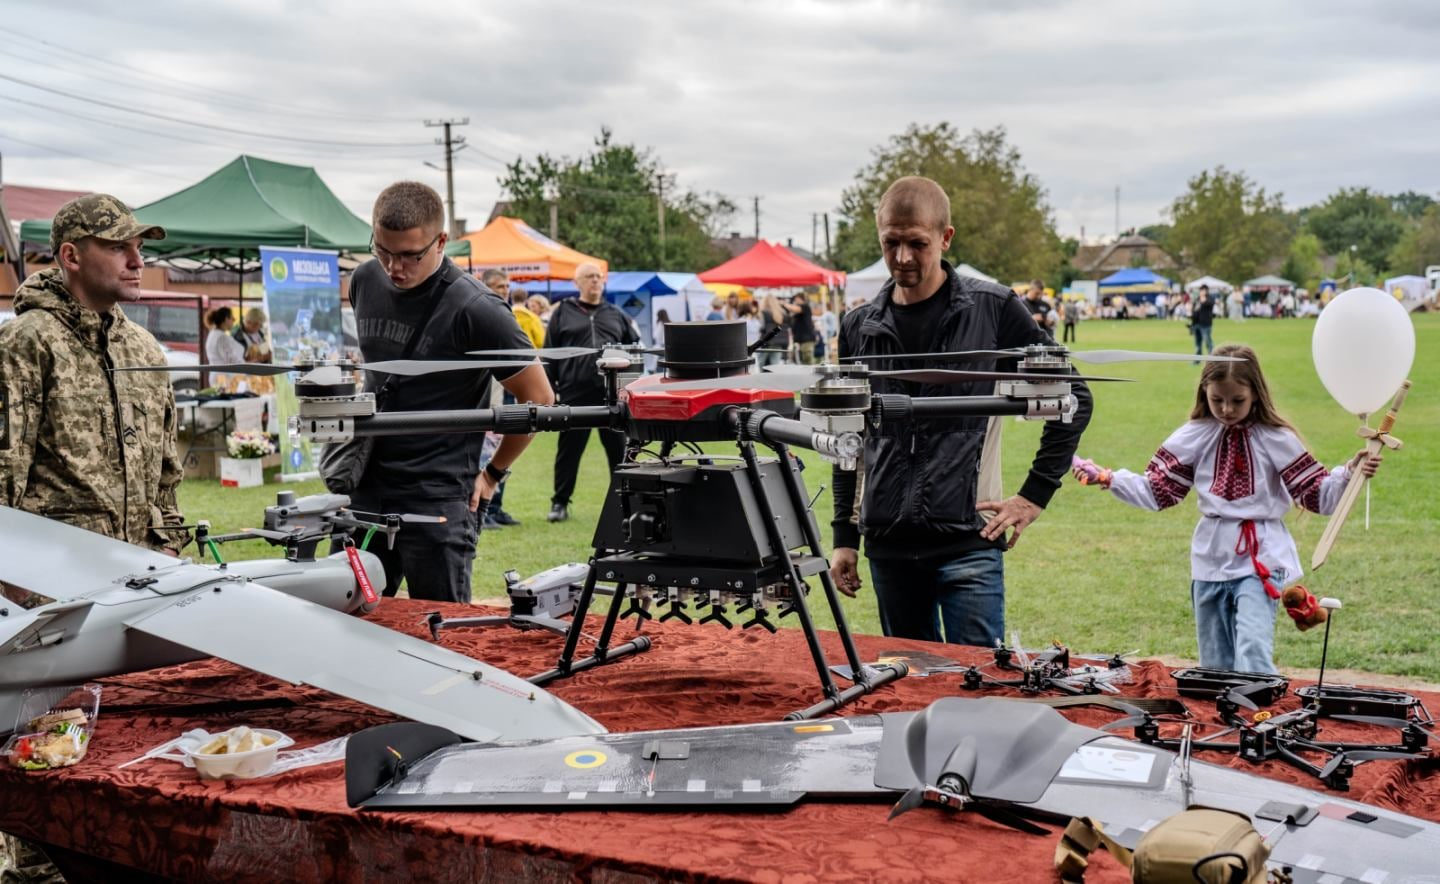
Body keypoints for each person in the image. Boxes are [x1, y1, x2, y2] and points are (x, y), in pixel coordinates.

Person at [0, 194, 190, 884]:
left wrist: (172, 550)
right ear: (72, 256)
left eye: (141, 246)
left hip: (137, 581)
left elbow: (166, 468)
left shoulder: (142, 347)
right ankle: (35, 869)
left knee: (132, 740)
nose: (138, 261)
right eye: (120, 247)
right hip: (51, 594)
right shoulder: (26, 343)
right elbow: (2, 472)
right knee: (45, 754)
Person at [829, 176, 1092, 647]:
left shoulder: (995, 309)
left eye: (917, 243)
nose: (902, 257)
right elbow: (846, 438)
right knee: (911, 680)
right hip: (888, 546)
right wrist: (845, 537)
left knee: (979, 681)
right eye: (890, 243)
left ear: (945, 237)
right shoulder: (858, 327)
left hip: (969, 541)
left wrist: (1033, 496)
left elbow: (1074, 397)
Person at [1072, 344, 1381, 673]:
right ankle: (1223, 704)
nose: (1227, 409)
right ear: (1204, 392)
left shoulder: (1276, 438)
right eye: (1217, 399)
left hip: (1261, 557)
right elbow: (1159, 491)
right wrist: (1108, 478)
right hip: (1210, 556)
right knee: (1214, 662)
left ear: (1256, 394)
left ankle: (1259, 703)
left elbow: (1315, 494)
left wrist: (1350, 473)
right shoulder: (1193, 436)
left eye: (1237, 400)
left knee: (1252, 648)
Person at [346, 181, 553, 603]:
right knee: (346, 618)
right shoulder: (364, 279)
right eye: (382, 250)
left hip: (437, 496)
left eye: (410, 255)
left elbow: (540, 400)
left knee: (440, 628)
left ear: (441, 242)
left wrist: (492, 474)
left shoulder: (476, 308)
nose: (393, 267)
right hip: (364, 486)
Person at [544, 262, 638, 523]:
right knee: (569, 451)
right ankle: (560, 503)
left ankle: (626, 500)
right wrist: (551, 389)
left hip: (611, 394)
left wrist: (629, 386)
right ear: (577, 282)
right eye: (589, 276)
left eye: (599, 276)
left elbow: (633, 350)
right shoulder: (563, 313)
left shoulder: (615, 314)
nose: (595, 280)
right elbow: (549, 353)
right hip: (574, 392)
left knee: (619, 450)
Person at [755, 293, 793, 368]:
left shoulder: (764, 313)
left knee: (760, 363)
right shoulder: (783, 313)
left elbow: (761, 327)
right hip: (779, 342)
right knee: (775, 365)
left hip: (768, 341)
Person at [789, 293, 818, 364]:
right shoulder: (799, 310)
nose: (795, 301)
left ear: (800, 298)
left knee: (808, 360)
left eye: (796, 299)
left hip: (807, 339)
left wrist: (784, 304)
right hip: (800, 340)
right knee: (801, 361)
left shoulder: (805, 307)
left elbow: (796, 309)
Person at [1191, 286, 1215, 358]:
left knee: (1208, 341)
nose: (1202, 292)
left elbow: (1208, 304)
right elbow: (1194, 310)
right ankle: (1197, 359)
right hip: (1196, 323)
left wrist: (1203, 298)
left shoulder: (1210, 298)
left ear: (1206, 291)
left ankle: (1212, 357)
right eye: (1201, 290)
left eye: (1203, 290)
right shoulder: (1197, 299)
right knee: (1197, 343)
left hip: (1205, 324)